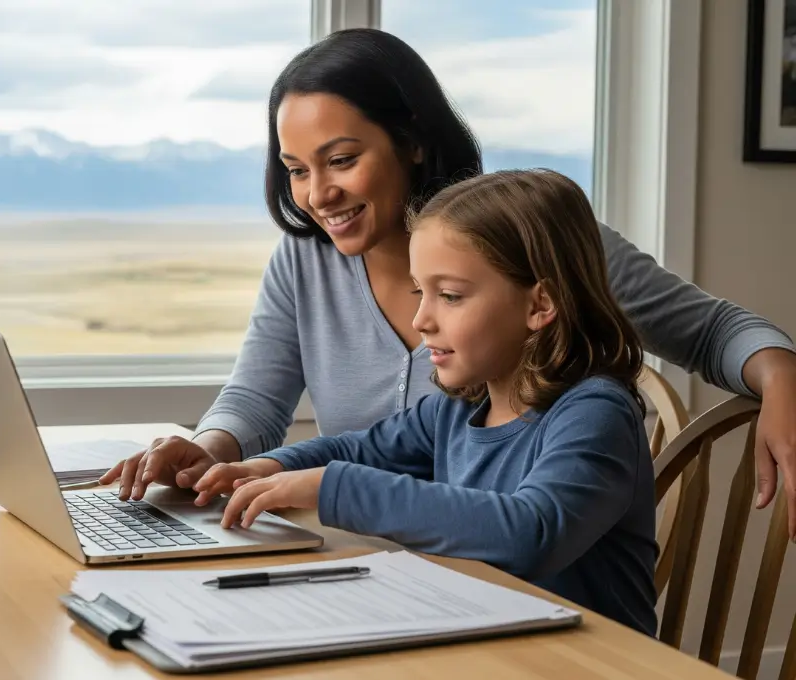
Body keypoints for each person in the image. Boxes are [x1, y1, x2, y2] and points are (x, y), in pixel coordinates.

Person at [100, 28, 796, 538]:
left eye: (340, 159)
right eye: (296, 167)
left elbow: (711, 331)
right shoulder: (310, 267)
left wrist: (782, 384)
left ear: (414, 140)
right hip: (376, 567)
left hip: (493, 592)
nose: (317, 194)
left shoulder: (533, 247)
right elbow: (271, 404)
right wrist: (219, 455)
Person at [196, 168, 658, 635]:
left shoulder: (595, 412)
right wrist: (269, 468)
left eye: (451, 296)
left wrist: (332, 488)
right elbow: (358, 449)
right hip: (490, 645)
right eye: (421, 292)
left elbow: (532, 532)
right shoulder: (459, 405)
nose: (421, 319)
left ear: (540, 305)